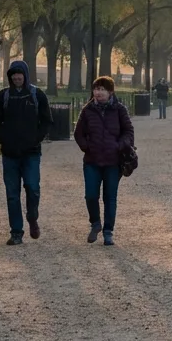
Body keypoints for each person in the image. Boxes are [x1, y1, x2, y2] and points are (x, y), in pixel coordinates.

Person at [0, 60, 52, 245]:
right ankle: (16, 231)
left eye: (20, 74)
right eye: (13, 74)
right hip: (9, 153)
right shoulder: (3, 96)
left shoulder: (37, 95)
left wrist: (36, 138)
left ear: (25, 75)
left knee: (32, 188)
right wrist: (3, 139)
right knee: (12, 193)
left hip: (31, 152)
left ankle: (32, 217)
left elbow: (47, 121)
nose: (17, 77)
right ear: (9, 76)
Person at [74, 76, 134, 246]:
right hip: (92, 161)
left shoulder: (119, 110)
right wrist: (86, 147)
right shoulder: (87, 110)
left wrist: (119, 145)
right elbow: (78, 133)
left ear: (110, 92)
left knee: (110, 198)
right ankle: (95, 223)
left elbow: (128, 131)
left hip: (112, 161)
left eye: (102, 89)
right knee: (91, 195)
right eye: (96, 89)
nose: (98, 93)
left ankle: (108, 231)